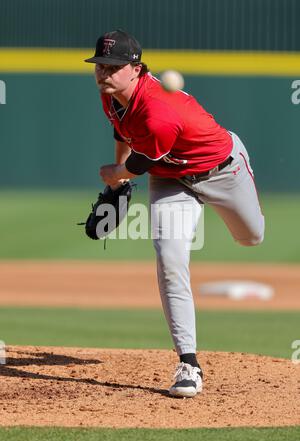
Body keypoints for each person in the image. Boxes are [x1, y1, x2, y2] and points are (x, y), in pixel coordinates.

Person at [85, 30, 265, 398]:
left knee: (251, 237)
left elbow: (137, 163)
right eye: (100, 66)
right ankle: (189, 363)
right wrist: (118, 185)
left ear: (136, 69)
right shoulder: (111, 97)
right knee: (170, 260)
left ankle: (243, 158)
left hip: (221, 170)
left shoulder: (158, 112)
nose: (104, 73)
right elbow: (123, 133)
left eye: (114, 67)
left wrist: (115, 176)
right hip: (172, 181)